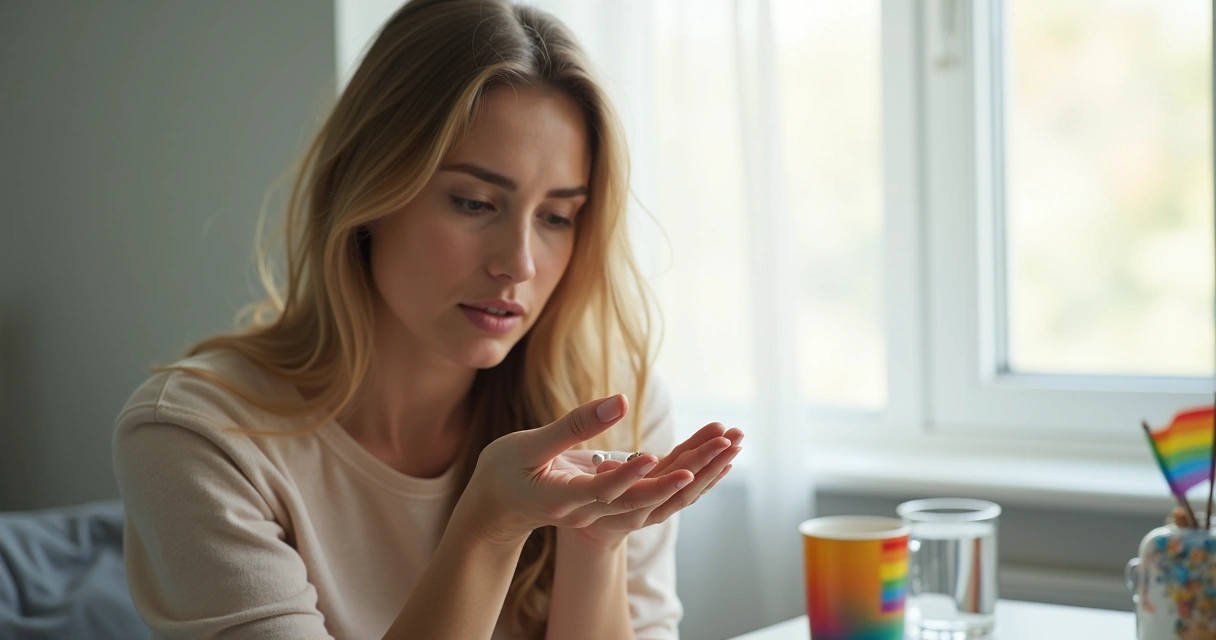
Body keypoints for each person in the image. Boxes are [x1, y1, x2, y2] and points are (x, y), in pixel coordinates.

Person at [111, 1, 744, 638]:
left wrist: (595, 544)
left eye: (556, 217)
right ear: (368, 194)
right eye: (473, 202)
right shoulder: (198, 437)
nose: (518, 264)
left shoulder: (611, 404)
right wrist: (488, 526)